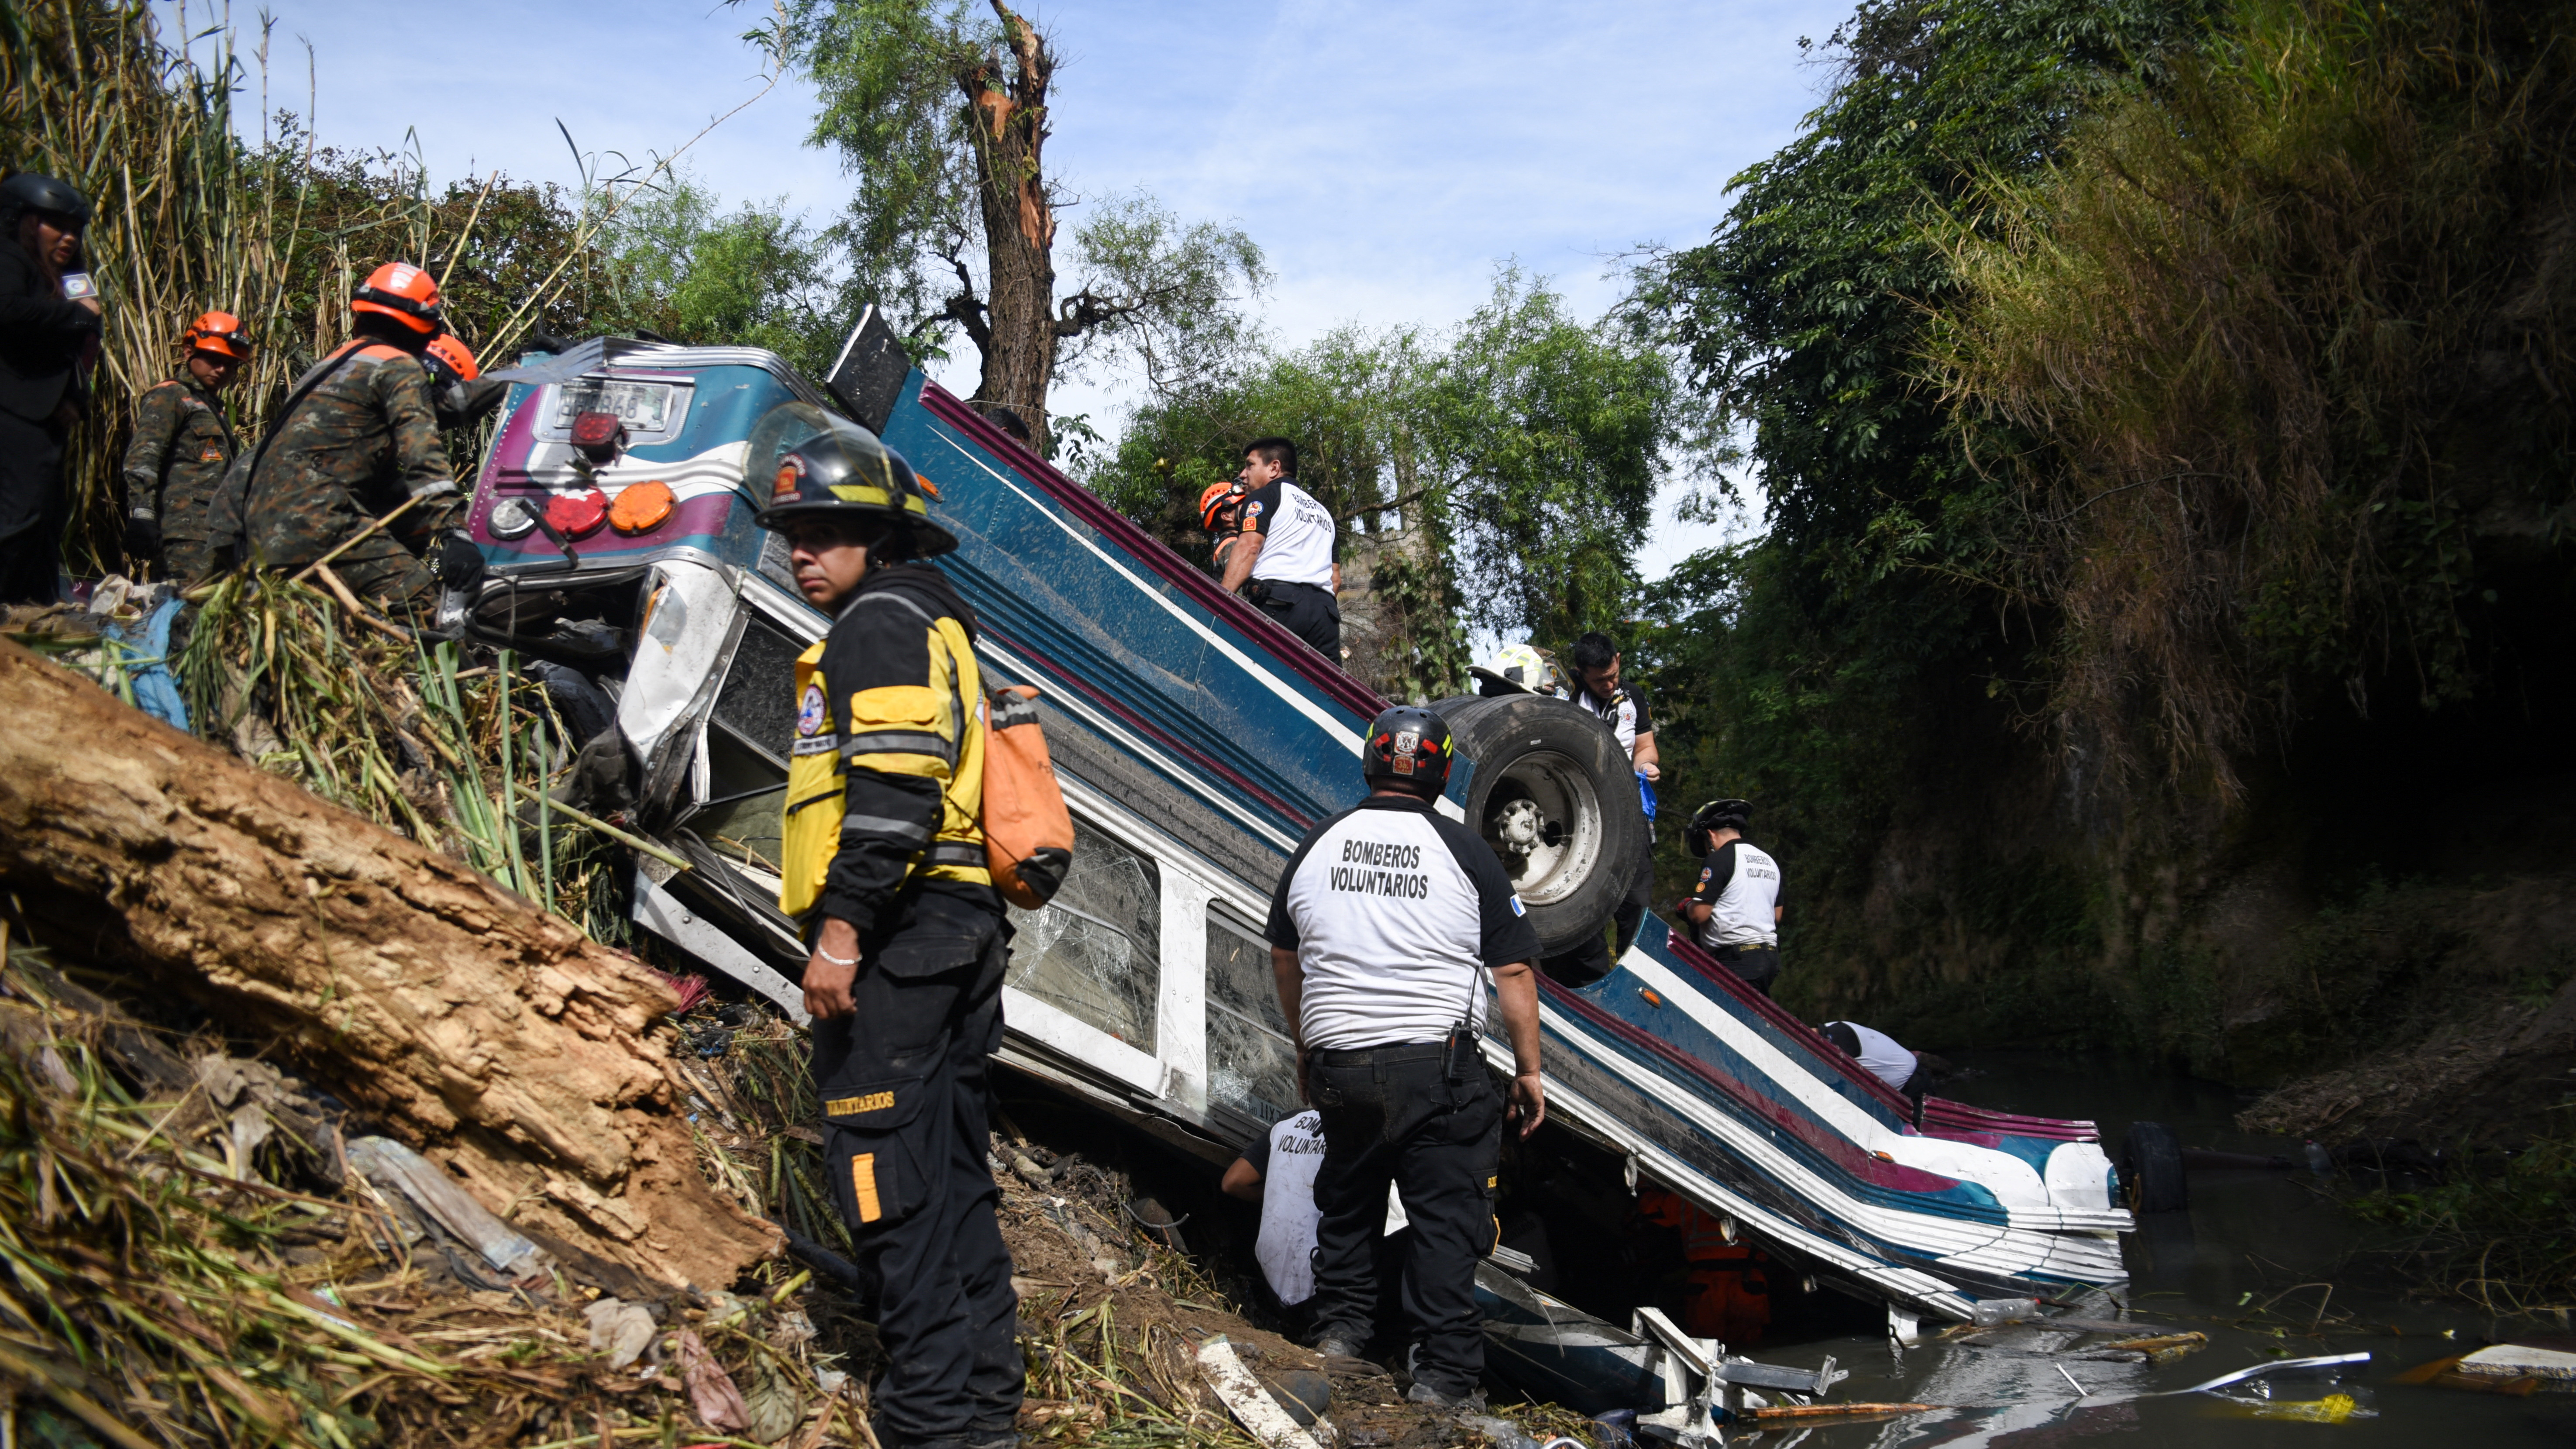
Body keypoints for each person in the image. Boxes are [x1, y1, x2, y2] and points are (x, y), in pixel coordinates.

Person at [761, 403, 1021, 1449]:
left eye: (821, 535)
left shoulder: (878, 623)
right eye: (789, 537)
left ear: (880, 536)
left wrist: (841, 936)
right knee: (951, 1171)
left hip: (902, 936)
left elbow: (895, 793)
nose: (799, 554)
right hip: (956, 929)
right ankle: (983, 1409)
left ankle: (927, 1424)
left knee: (884, 1179)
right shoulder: (935, 621)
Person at [1267, 704, 1546, 1408]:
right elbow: (1513, 970)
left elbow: (1284, 951)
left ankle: (1340, 1335)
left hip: (1341, 1065)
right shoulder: (1466, 849)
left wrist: (1308, 1044)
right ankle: (1445, 1379)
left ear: (1370, 762)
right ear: (1444, 771)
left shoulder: (1320, 842)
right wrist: (1531, 1068)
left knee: (1350, 1200)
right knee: (1447, 1218)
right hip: (1437, 1068)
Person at [240, 262, 480, 618]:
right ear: (424, 327)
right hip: (320, 524)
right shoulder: (398, 366)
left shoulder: (328, 365)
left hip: (259, 531)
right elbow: (423, 456)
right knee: (431, 610)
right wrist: (455, 533)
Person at [0, 172, 102, 604]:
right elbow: (6, 310)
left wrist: (75, 397)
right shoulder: (9, 257)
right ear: (21, 220)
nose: (69, 238)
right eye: (56, 226)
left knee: (45, 520)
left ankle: (36, 609)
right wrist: (75, 316)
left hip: (48, 415)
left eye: (76, 230)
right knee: (19, 515)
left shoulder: (70, 277)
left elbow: (87, 338)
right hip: (11, 409)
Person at [121, 311, 248, 583]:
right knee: (182, 611)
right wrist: (142, 514)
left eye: (231, 364)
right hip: (183, 534)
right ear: (190, 351)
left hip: (216, 533)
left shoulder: (214, 409)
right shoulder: (171, 395)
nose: (222, 370)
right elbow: (144, 456)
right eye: (214, 360)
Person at [1567, 630, 1660, 961]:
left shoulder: (1634, 696)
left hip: (1629, 813)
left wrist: (1646, 767)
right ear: (1580, 673)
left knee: (1636, 902)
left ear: (1618, 660)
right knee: (1585, 898)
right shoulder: (1568, 697)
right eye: (1599, 681)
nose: (1608, 685)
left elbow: (1646, 747)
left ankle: (1635, 969)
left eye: (1612, 677)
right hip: (1581, 813)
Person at [1218, 437, 1341, 658]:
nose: (1243, 474)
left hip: (1279, 605)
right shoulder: (1324, 513)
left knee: (1257, 680)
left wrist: (1218, 603)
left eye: (1250, 465)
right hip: (1326, 616)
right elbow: (1335, 580)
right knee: (1324, 690)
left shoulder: (1263, 497)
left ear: (1274, 468)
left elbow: (1249, 548)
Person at [1636, 1186, 1771, 1348]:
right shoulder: (1756, 1198)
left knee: (1704, 1350)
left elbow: (1649, 1208)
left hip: (1706, 1287)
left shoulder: (1689, 1197)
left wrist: (1644, 1179)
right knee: (1751, 1352)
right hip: (1748, 1285)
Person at [1675, 799, 1784, 995]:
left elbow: (1700, 914)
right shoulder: (1768, 861)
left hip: (1737, 961)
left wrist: (1688, 906)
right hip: (1769, 958)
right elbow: (1776, 916)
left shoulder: (1720, 859)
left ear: (1710, 835)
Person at [1820, 1021, 1944, 1120]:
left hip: (1914, 1087)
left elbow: (1837, 1080)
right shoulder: (1831, 1028)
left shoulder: (1838, 1037)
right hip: (1894, 1092)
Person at [1198, 479, 1246, 578]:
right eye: (1242, 504)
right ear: (1226, 516)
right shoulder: (1233, 545)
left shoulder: (1228, 544)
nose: (1249, 508)